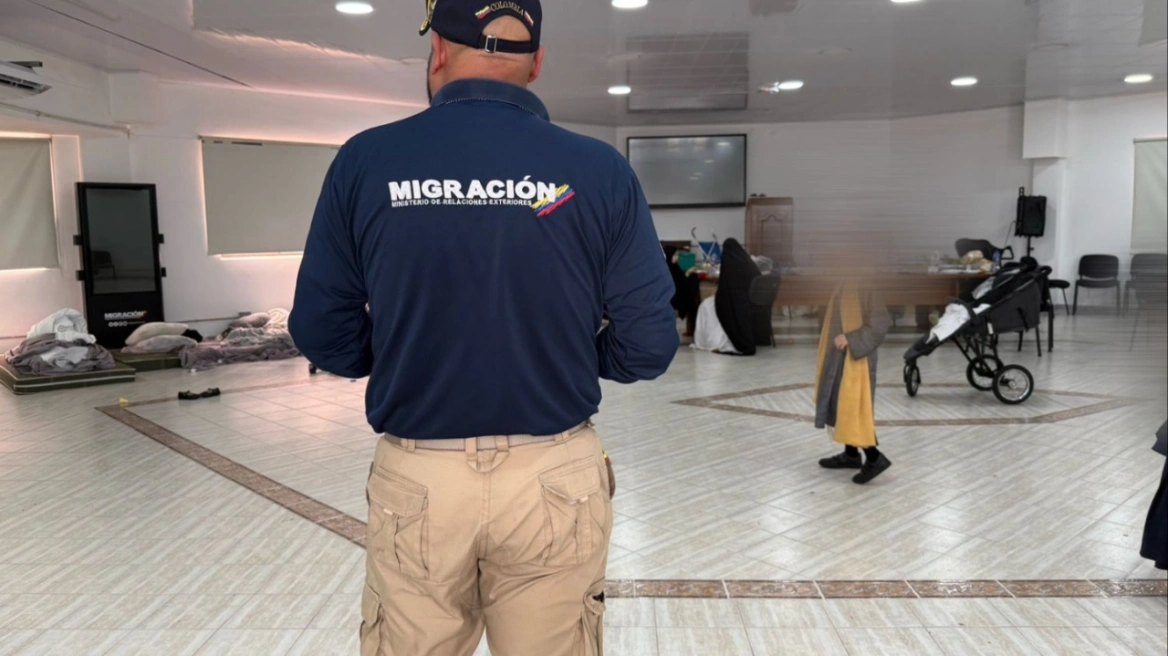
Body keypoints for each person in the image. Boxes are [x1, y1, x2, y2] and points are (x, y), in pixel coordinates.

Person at [288, 0, 678, 654]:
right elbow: (649, 344)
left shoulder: (365, 161)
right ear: (537, 62)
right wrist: (568, 356)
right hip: (555, 477)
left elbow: (321, 331)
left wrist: (401, 354)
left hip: (420, 480)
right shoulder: (601, 169)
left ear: (438, 49)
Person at [813, 266, 893, 484]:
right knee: (841, 403)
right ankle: (850, 454)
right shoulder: (847, 279)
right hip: (842, 355)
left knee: (855, 409)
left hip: (858, 358)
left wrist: (852, 338)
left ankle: (874, 458)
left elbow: (880, 323)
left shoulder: (867, 282)